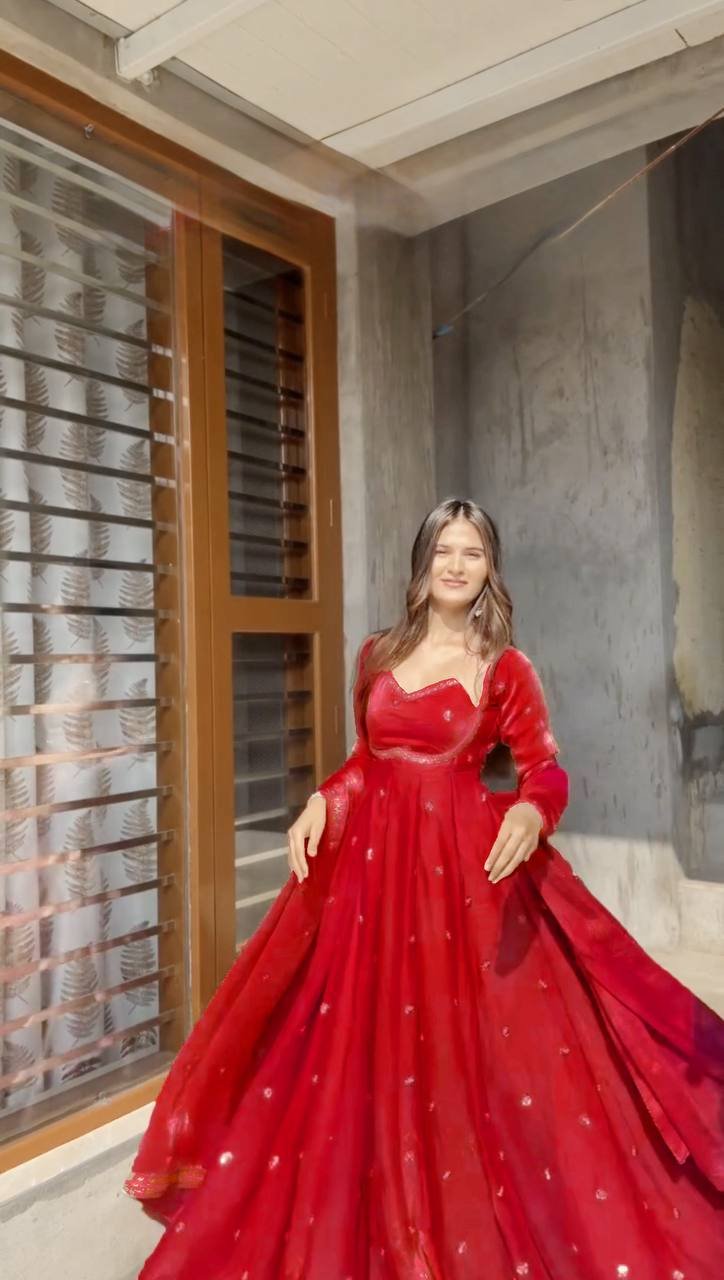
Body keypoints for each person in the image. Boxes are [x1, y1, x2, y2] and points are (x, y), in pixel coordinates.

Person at [124, 498, 724, 1279]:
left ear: (490, 569)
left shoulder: (503, 667)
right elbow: (365, 762)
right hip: (372, 884)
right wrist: (323, 799)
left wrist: (532, 813)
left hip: (462, 886)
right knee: (356, 1054)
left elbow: (544, 770)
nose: (457, 565)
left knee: (476, 1060)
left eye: (473, 552)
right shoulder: (376, 654)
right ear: (423, 562)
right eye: (445, 550)